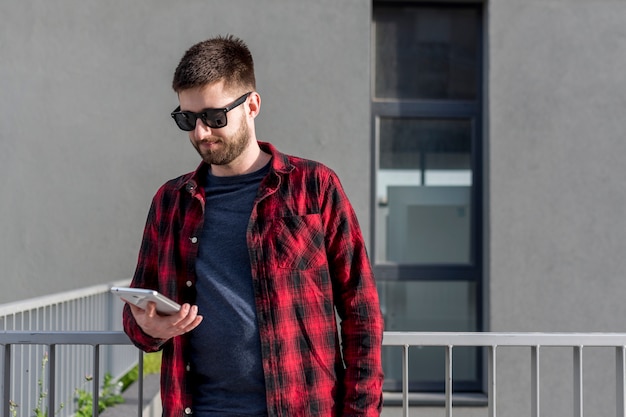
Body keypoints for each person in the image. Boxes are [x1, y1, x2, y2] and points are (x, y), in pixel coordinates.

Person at [122, 35, 384, 417]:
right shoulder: (170, 202)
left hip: (304, 408)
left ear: (252, 105)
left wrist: (361, 413)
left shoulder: (315, 187)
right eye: (187, 119)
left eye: (214, 117)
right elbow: (137, 312)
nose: (200, 133)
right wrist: (151, 330)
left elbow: (362, 310)